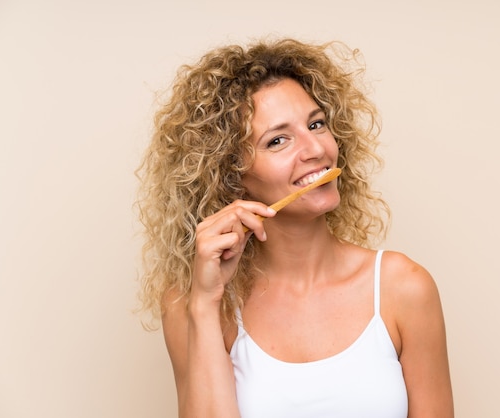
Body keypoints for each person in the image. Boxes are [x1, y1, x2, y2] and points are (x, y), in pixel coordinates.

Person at [136, 37, 453, 418]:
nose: (315, 149)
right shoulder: (193, 304)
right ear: (230, 177)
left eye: (316, 124)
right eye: (278, 140)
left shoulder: (404, 287)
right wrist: (205, 305)